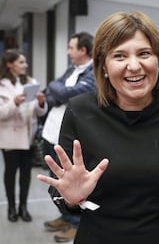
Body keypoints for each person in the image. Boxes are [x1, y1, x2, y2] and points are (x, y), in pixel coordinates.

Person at [37, 11, 159, 244]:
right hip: (98, 237)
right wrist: (71, 199)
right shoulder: (81, 109)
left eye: (144, 53)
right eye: (119, 56)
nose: (134, 66)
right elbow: (63, 192)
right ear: (103, 66)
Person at [41, 32, 96, 243]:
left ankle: (75, 224)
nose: (68, 51)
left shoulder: (93, 72)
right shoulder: (72, 69)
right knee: (57, 183)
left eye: (71, 47)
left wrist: (60, 92)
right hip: (51, 134)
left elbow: (62, 93)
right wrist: (60, 91)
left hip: (67, 140)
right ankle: (65, 216)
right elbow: (52, 91)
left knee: (70, 183)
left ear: (83, 50)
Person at [0, 49, 48, 222]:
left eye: (25, 62)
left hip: (29, 136)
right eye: (21, 62)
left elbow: (37, 110)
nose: (25, 65)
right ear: (9, 64)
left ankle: (23, 208)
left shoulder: (31, 82)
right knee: (11, 174)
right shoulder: (1, 84)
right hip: (10, 138)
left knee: (26, 175)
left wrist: (41, 102)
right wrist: (14, 102)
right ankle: (11, 208)